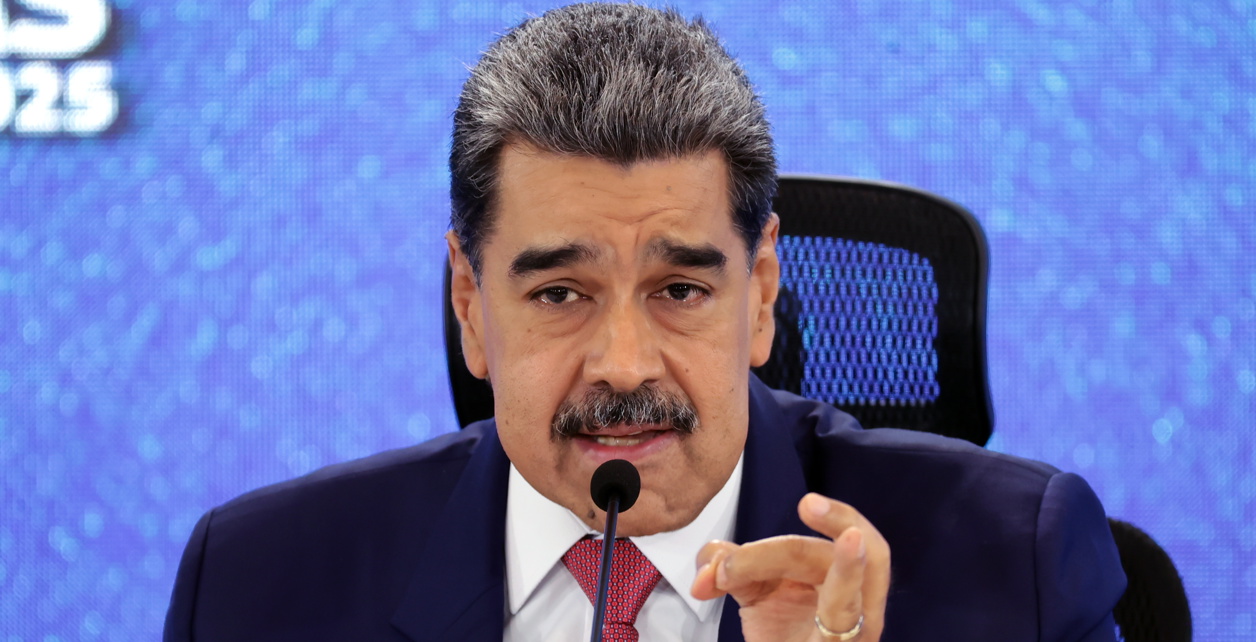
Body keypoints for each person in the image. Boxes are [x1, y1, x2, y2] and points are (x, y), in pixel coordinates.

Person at [164, 4, 1126, 641]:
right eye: (559, 294)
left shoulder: (1015, 571)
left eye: (680, 290)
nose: (624, 366)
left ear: (761, 294)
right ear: (469, 303)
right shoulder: (256, 585)